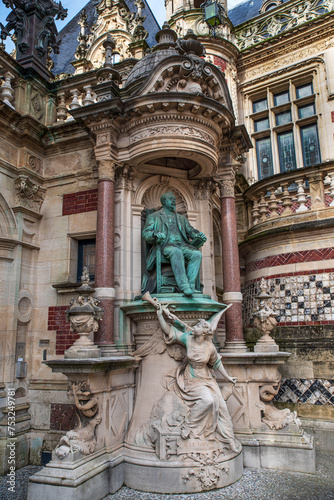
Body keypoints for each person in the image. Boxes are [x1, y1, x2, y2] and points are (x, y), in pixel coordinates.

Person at [155, 300, 241, 454]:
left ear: (204, 331)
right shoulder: (188, 338)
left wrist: (227, 377)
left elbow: (216, 364)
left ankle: (229, 440)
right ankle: (189, 425)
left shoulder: (210, 347)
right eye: (195, 325)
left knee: (221, 406)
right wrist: (160, 315)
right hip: (191, 378)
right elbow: (169, 330)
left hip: (207, 379)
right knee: (208, 400)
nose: (194, 326)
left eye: (198, 325)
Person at [142, 191, 207, 296]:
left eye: (174, 199)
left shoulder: (181, 218)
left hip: (182, 245)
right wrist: (155, 234)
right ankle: (184, 286)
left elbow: (191, 231)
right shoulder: (154, 216)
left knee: (196, 254)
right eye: (171, 199)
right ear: (164, 201)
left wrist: (197, 235)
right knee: (176, 252)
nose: (174, 201)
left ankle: (191, 285)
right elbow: (146, 233)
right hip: (165, 245)